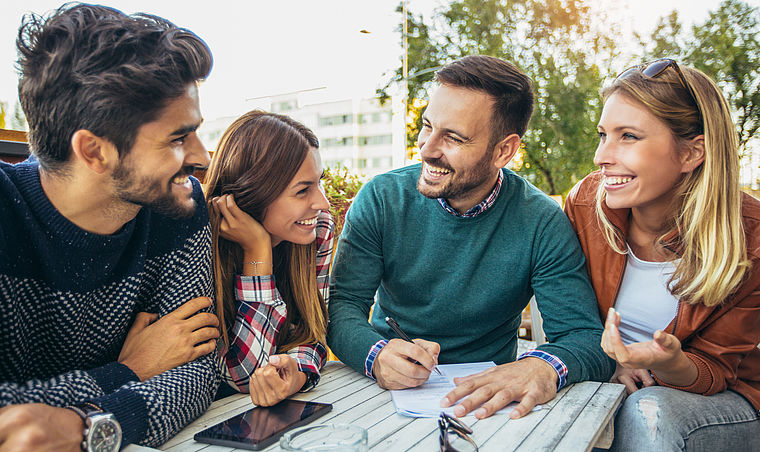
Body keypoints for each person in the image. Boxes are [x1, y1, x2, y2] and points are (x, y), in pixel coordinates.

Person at [327, 55, 615, 420]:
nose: (428, 148)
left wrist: (542, 366)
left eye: (454, 137)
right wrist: (376, 354)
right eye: (427, 126)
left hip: (493, 405)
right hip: (382, 392)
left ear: (504, 151)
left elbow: (584, 337)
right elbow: (341, 305)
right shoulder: (381, 198)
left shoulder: (542, 222)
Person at [0, 4, 220, 450]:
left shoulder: (177, 207)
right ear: (95, 151)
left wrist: (92, 430)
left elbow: (198, 367)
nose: (201, 157)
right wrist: (129, 372)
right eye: (178, 138)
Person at [563, 59, 760, 450]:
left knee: (648, 412)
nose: (602, 156)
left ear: (691, 154)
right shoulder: (585, 205)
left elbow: (717, 370)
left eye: (628, 137)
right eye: (603, 135)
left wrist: (670, 362)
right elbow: (570, 320)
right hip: (612, 383)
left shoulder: (751, 236)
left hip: (724, 402)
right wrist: (611, 362)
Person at [204, 111, 334, 407]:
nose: (322, 203)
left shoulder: (319, 230)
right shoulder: (201, 244)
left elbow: (313, 334)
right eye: (303, 190)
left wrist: (298, 373)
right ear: (253, 194)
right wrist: (258, 254)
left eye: (319, 183)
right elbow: (241, 376)